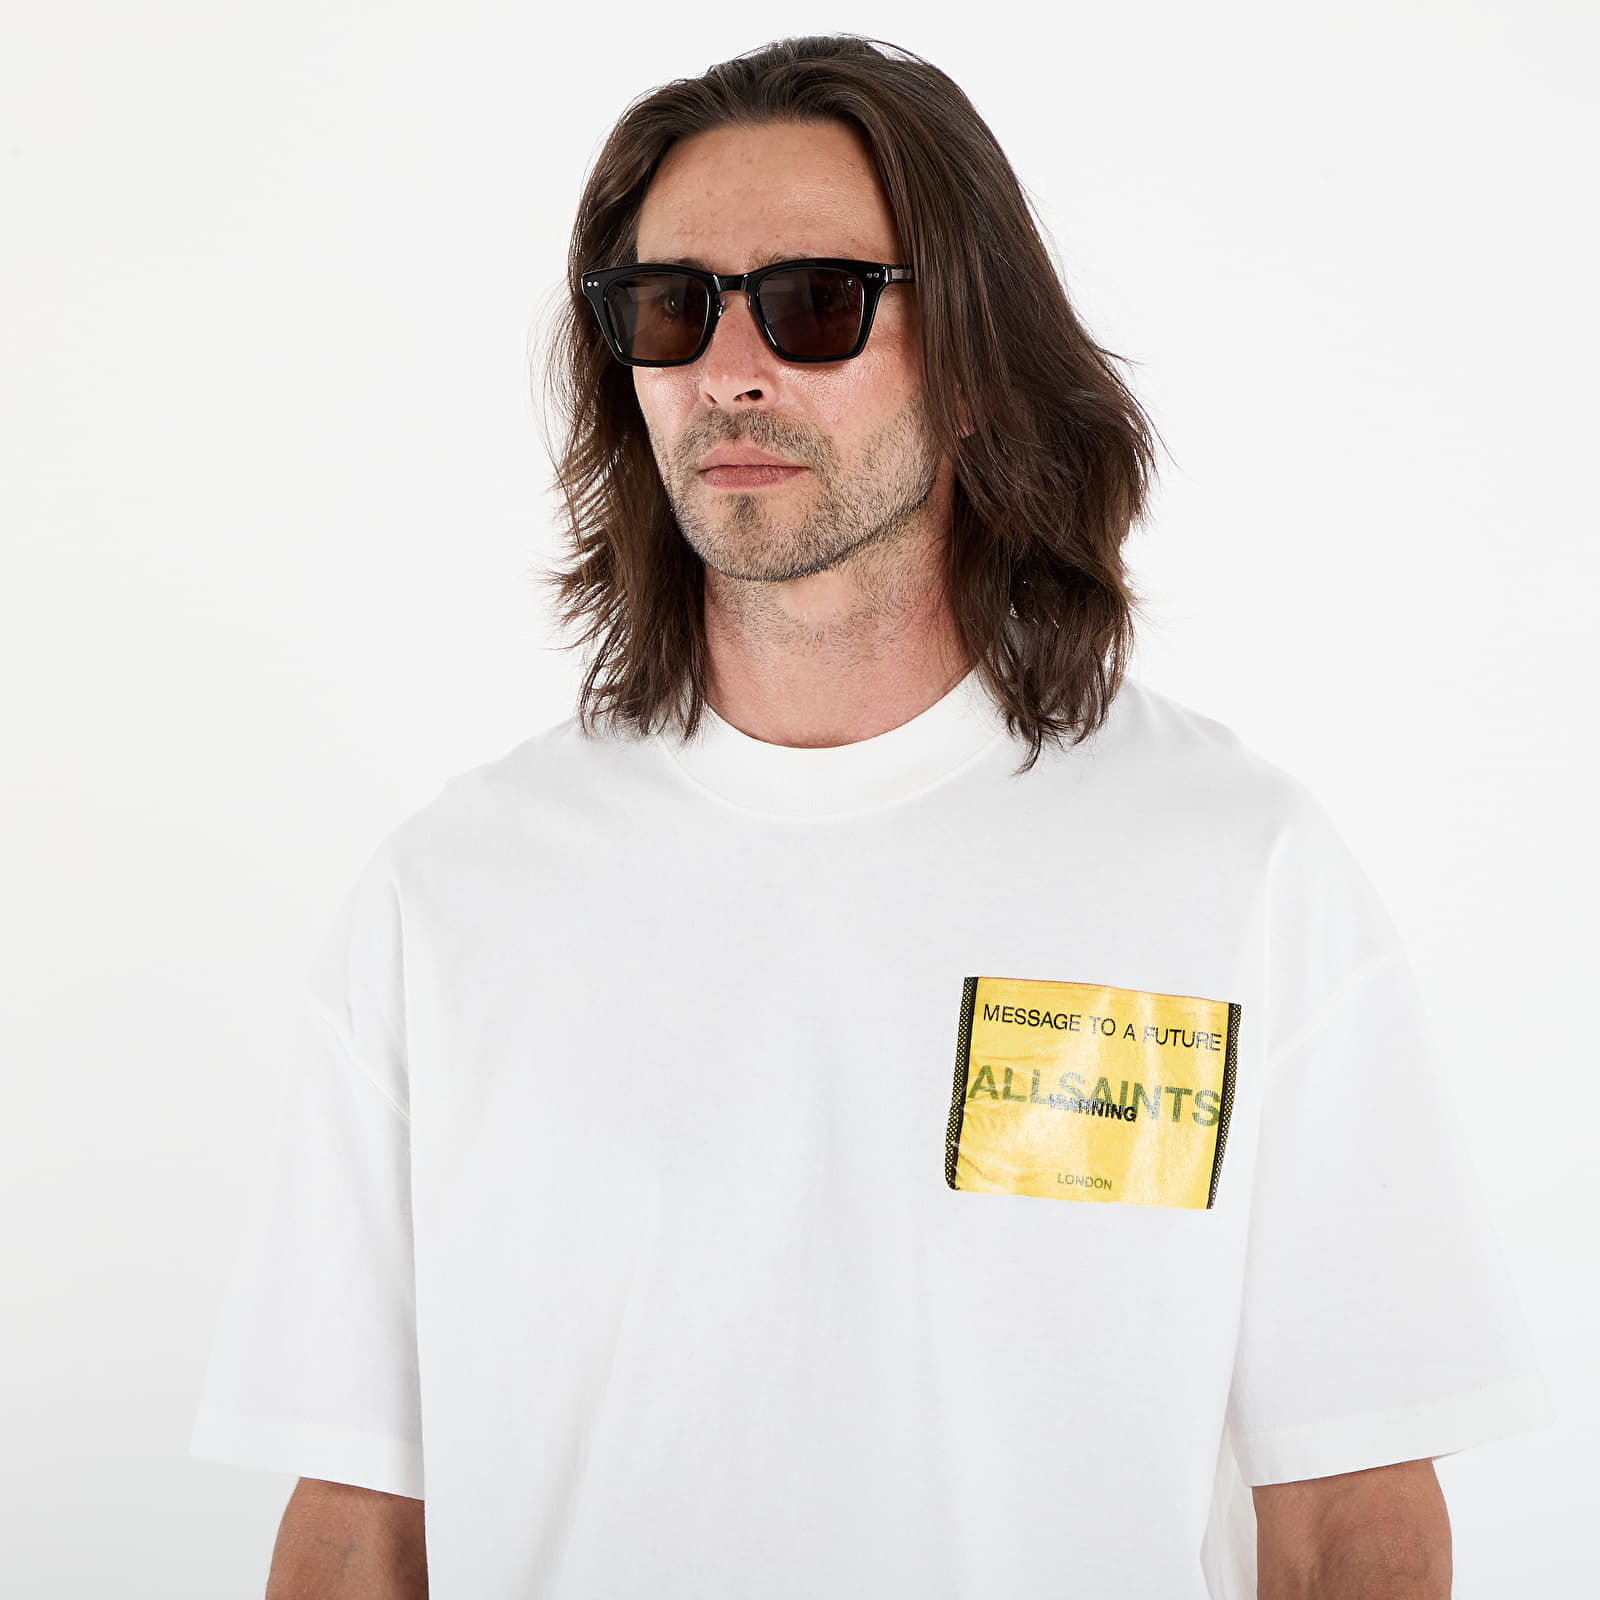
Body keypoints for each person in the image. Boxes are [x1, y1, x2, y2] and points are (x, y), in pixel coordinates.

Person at [192, 34, 1548, 1599]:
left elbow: (1349, 1511)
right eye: (671, 307)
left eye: (816, 302)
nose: (731, 369)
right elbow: (360, 1523)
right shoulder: (450, 900)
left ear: (971, 364)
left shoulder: (1233, 873)